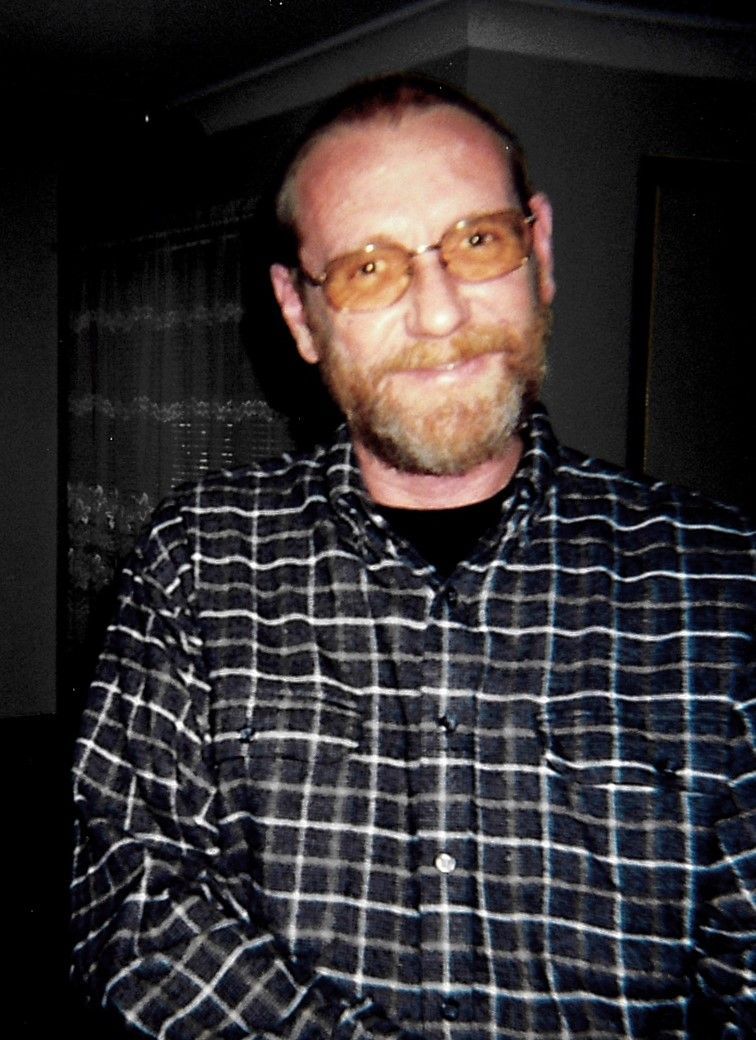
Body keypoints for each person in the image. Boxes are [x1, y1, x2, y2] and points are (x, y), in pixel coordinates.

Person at [71, 74, 755, 1039]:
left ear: (540, 253)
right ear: (300, 315)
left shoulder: (723, 582)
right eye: (368, 268)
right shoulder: (197, 559)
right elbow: (131, 899)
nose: (440, 315)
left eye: (478, 242)